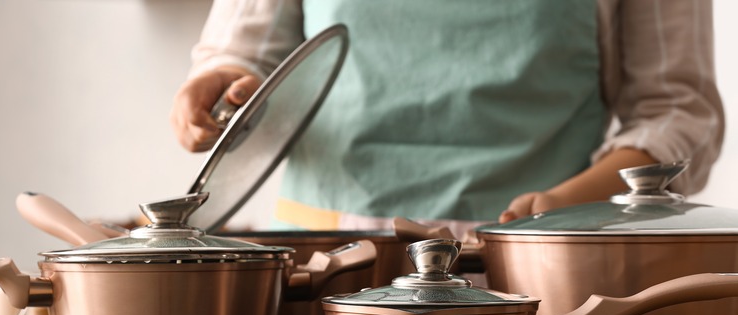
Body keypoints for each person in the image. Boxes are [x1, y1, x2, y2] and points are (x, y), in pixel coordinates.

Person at [170, 0, 723, 236]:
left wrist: (569, 206)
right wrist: (217, 89)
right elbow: (244, 55)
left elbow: (677, 110)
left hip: (532, 285)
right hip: (322, 278)